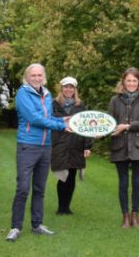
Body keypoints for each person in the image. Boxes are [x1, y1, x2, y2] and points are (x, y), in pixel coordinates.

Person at [6, 63, 69, 242]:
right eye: (33, 75)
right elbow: (34, 118)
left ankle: (37, 225)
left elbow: (47, 118)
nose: (36, 78)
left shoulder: (47, 94)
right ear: (27, 76)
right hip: (27, 146)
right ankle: (15, 227)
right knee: (23, 188)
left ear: (44, 77)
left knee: (40, 189)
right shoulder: (23, 93)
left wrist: (63, 119)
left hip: (45, 146)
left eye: (39, 75)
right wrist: (61, 126)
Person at [108, 67, 139, 228]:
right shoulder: (115, 100)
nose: (132, 83)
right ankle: (125, 216)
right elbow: (110, 122)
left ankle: (135, 214)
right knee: (123, 182)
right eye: (129, 80)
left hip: (138, 146)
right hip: (120, 146)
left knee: (137, 182)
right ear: (123, 82)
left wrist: (127, 126)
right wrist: (102, 132)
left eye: (135, 80)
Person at [51, 76, 92, 215]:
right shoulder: (53, 105)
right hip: (60, 144)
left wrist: (87, 146)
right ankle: (61, 207)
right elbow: (47, 123)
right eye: (66, 87)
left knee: (72, 176)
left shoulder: (80, 106)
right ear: (61, 88)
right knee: (63, 176)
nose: (68, 89)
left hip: (76, 145)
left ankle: (67, 207)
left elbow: (87, 128)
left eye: (71, 87)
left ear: (75, 89)